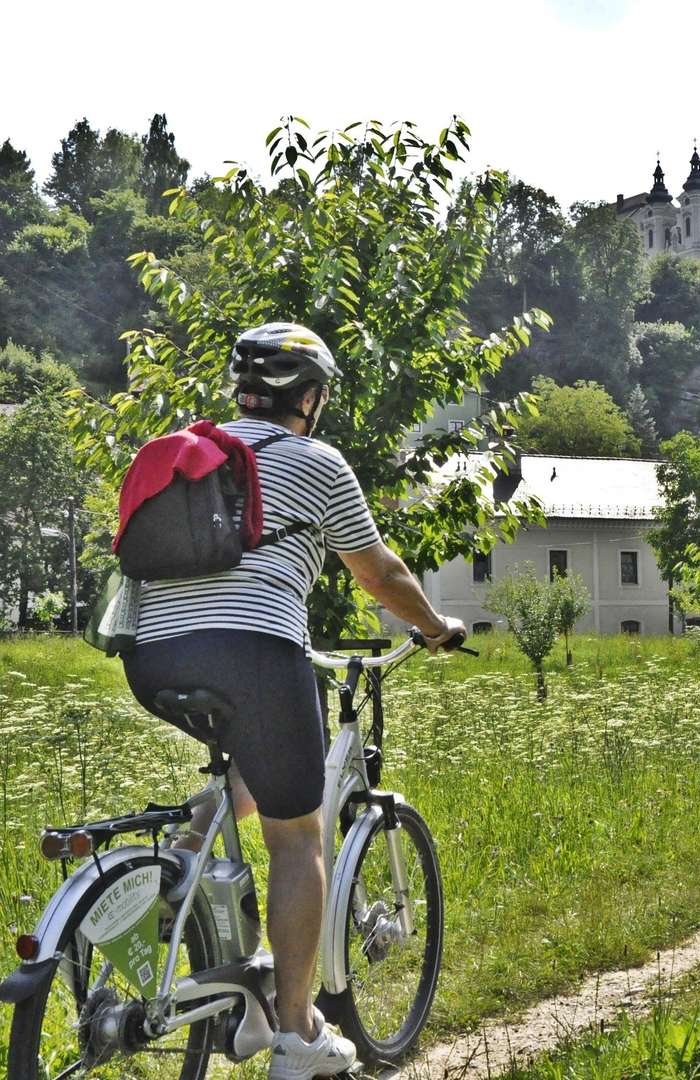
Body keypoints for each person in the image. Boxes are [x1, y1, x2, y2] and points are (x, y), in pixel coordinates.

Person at [121, 323, 466, 1080]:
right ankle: (297, 1032)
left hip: (149, 658)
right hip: (253, 655)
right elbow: (379, 572)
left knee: (252, 776)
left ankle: (188, 880)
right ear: (309, 397)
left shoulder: (190, 454)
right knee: (298, 838)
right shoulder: (316, 461)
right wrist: (437, 627)